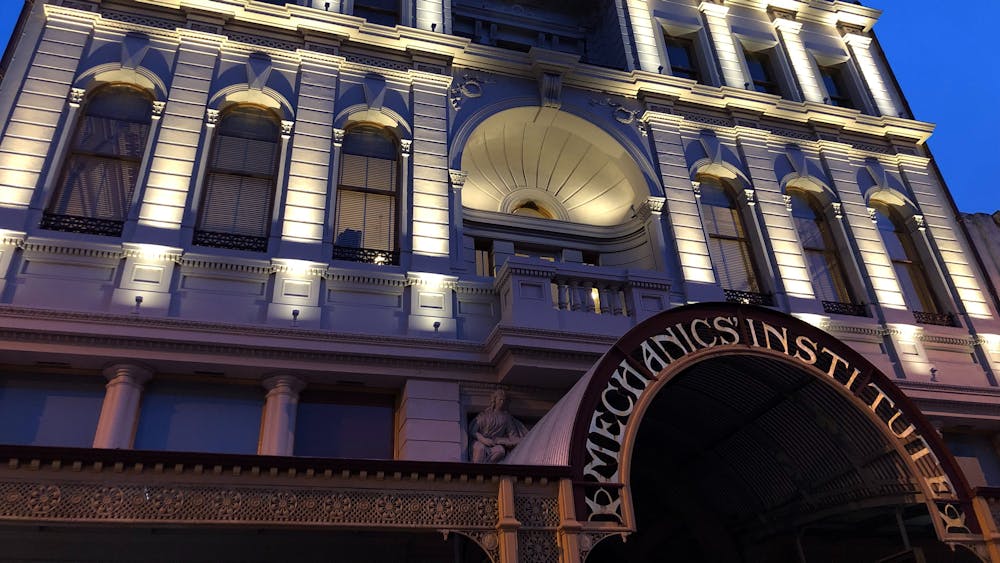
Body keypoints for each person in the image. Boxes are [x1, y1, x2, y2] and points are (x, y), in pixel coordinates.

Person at [469, 390, 527, 463]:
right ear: (495, 400)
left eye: (504, 400)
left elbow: (512, 435)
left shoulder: (506, 418)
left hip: (494, 444)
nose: (502, 402)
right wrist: (484, 440)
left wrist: (521, 440)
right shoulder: (485, 415)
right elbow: (473, 431)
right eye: (500, 400)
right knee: (481, 448)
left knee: (500, 450)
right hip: (481, 441)